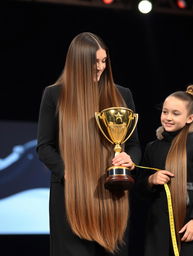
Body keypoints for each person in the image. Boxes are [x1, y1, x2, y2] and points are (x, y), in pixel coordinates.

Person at [36, 32, 141, 256]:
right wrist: (69, 174)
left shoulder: (122, 95)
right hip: (71, 196)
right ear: (78, 62)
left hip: (112, 195)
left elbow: (133, 145)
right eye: (94, 62)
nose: (100, 67)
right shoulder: (55, 95)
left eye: (104, 61)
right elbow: (44, 147)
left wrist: (130, 160)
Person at [136, 84, 193, 256]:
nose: (168, 117)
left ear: (190, 118)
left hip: (189, 226)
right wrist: (151, 180)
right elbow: (140, 187)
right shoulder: (152, 147)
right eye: (165, 112)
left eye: (176, 114)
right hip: (159, 229)